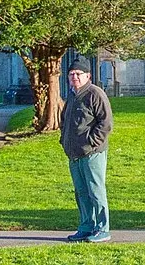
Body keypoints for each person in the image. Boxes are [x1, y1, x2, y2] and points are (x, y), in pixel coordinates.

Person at [58, 63, 113, 243]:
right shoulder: (72, 96)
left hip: (92, 153)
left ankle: (102, 229)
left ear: (88, 76)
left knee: (95, 190)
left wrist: (91, 144)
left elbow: (105, 124)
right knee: (81, 192)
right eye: (71, 73)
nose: (75, 77)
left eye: (79, 74)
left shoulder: (95, 94)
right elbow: (64, 121)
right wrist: (64, 141)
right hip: (74, 154)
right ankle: (86, 226)